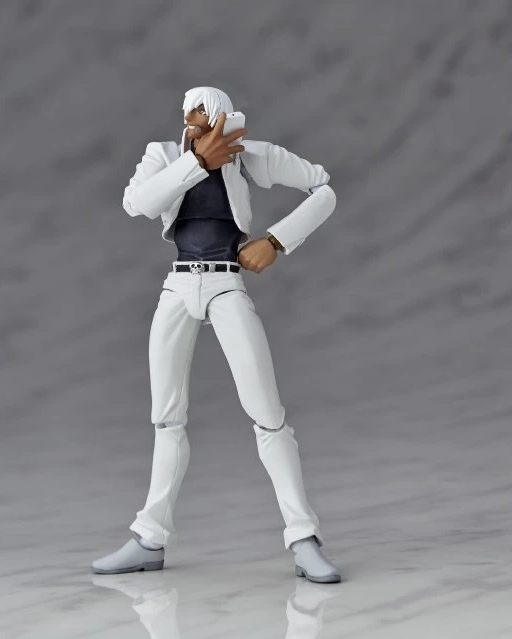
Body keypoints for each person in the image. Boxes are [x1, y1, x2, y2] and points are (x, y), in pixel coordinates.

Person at [92, 86, 341, 583]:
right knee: (166, 418)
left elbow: (324, 189)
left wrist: (277, 240)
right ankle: (149, 538)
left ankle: (303, 538)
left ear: (225, 118)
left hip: (227, 283)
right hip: (178, 285)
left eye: (205, 116)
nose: (195, 123)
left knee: (268, 416)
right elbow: (137, 204)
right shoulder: (165, 154)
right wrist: (194, 163)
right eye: (190, 115)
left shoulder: (248, 157)